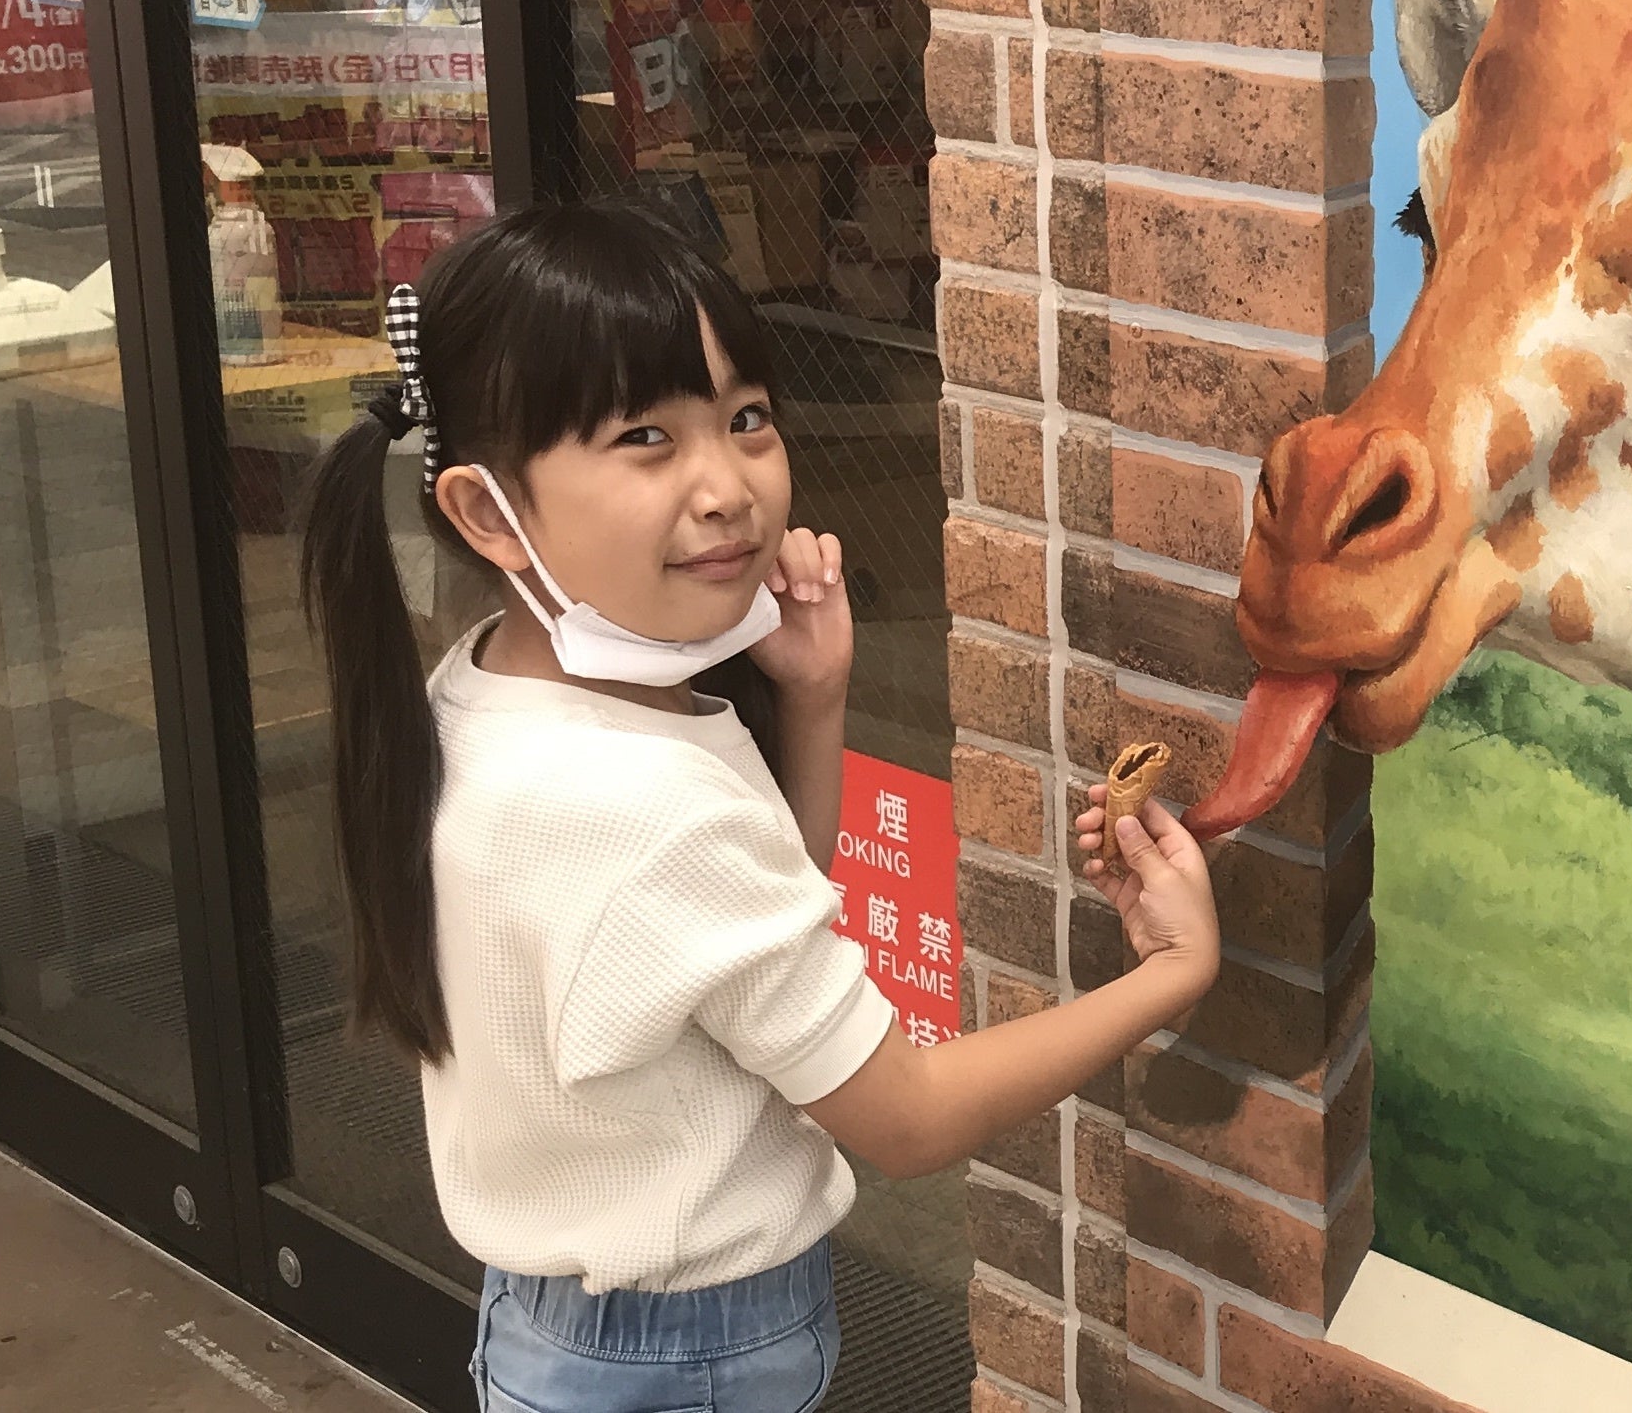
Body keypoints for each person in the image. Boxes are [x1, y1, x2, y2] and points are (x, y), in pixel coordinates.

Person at [297, 201, 1215, 1413]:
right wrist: (1171, 974)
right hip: (689, 1360)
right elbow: (907, 1121)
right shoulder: (644, 802)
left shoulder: (480, 693)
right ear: (485, 512)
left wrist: (814, 700)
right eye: (644, 438)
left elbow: (735, 936)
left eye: (744, 418)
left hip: (555, 1326)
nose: (728, 487)